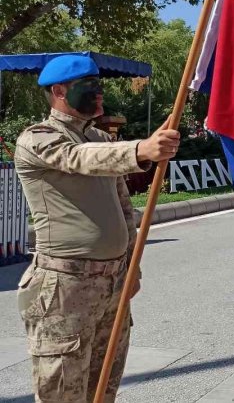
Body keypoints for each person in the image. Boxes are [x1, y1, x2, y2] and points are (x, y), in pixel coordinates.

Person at [14, 55, 181, 399]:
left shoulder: (101, 139)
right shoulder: (38, 138)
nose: (100, 93)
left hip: (112, 282)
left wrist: (131, 266)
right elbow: (78, 158)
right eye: (90, 86)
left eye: (100, 85)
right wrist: (142, 149)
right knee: (63, 391)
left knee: (103, 387)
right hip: (64, 287)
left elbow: (123, 210)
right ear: (59, 91)